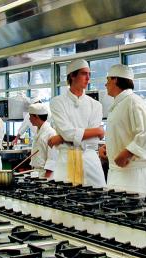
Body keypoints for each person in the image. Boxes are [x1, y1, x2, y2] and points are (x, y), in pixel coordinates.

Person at [99, 64, 146, 195]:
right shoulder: (120, 103)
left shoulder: (133, 101)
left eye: (107, 80)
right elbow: (125, 133)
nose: (105, 85)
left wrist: (127, 152)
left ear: (115, 80)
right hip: (120, 174)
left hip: (133, 176)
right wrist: (109, 147)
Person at [48, 59, 106, 188]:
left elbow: (92, 141)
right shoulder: (57, 102)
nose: (88, 78)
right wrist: (97, 131)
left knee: (99, 198)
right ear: (72, 76)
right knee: (63, 202)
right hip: (66, 160)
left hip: (89, 159)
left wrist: (62, 138)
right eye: (84, 74)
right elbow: (68, 133)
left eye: (89, 74)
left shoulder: (96, 105)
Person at [27, 102, 57, 179]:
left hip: (46, 175)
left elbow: (52, 159)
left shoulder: (51, 133)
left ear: (36, 116)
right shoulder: (38, 131)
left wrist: (46, 179)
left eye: (30, 116)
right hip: (36, 173)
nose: (29, 119)